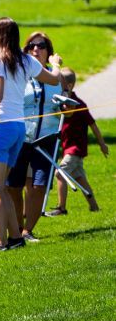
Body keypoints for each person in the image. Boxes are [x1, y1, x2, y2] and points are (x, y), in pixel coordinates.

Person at [0, 17, 61, 252]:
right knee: (2, 186)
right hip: (17, 129)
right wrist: (55, 63)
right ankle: (15, 238)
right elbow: (54, 78)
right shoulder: (26, 60)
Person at [10, 31, 67, 240]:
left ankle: (27, 230)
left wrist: (65, 108)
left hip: (47, 136)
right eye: (31, 46)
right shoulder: (18, 73)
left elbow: (67, 104)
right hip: (20, 136)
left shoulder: (57, 76)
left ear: (48, 52)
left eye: (41, 46)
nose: (36, 49)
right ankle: (16, 227)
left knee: (39, 185)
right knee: (13, 185)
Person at [49, 70, 105, 215]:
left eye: (59, 83)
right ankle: (94, 207)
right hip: (69, 148)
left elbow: (93, 125)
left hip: (75, 149)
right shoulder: (62, 102)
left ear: (68, 85)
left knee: (60, 173)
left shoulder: (77, 104)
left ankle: (62, 207)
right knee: (80, 179)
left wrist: (102, 144)